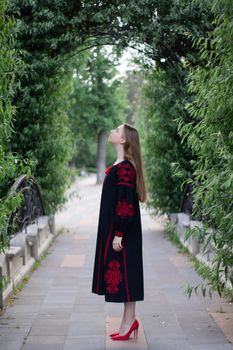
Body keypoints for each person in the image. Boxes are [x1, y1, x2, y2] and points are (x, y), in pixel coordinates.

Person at [91, 123, 147, 341]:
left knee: (127, 275)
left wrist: (119, 233)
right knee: (127, 275)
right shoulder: (121, 164)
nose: (112, 131)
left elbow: (125, 204)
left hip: (122, 234)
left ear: (123, 140)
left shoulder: (125, 168)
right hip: (119, 232)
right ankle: (128, 322)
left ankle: (128, 323)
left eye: (116, 130)